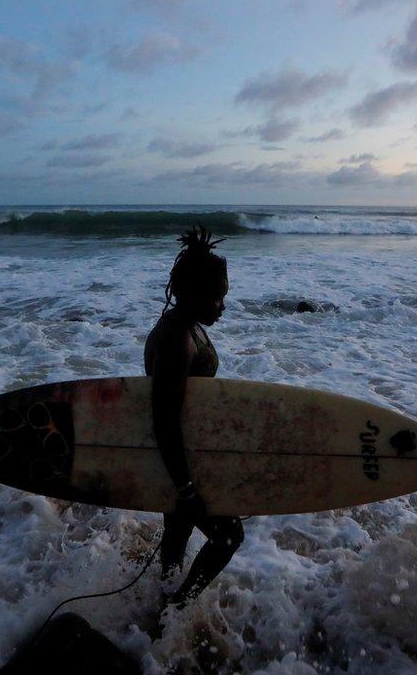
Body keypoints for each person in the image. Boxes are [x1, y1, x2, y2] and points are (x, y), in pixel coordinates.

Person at [144, 226, 243, 608]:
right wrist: (185, 487)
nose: (222, 306)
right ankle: (178, 608)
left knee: (178, 534)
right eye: (218, 298)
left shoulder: (186, 327)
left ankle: (161, 601)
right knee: (229, 534)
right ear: (198, 293)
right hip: (178, 461)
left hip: (184, 458)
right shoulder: (176, 340)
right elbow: (164, 418)